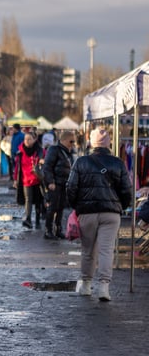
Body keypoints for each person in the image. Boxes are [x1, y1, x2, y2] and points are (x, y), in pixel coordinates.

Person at [66, 128, 132, 302]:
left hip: (87, 213)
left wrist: (77, 207)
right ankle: (104, 287)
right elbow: (126, 190)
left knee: (88, 250)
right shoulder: (118, 163)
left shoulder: (81, 162)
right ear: (109, 142)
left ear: (91, 142)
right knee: (106, 250)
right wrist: (121, 206)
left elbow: (71, 187)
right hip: (111, 213)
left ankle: (86, 285)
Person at [41, 130, 75, 239]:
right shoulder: (54, 150)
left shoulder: (68, 152)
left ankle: (58, 229)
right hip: (55, 183)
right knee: (53, 207)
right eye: (71, 141)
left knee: (61, 207)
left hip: (64, 184)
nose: (73, 143)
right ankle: (48, 230)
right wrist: (50, 181)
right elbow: (47, 166)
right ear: (64, 140)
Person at [14, 132, 45, 229]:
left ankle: (37, 220)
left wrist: (42, 161)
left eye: (29, 139)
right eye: (25, 139)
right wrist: (15, 179)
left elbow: (47, 161)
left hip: (38, 179)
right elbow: (17, 167)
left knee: (38, 201)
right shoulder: (20, 153)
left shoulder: (40, 151)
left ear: (34, 140)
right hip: (26, 180)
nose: (26, 141)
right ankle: (28, 219)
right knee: (28, 200)